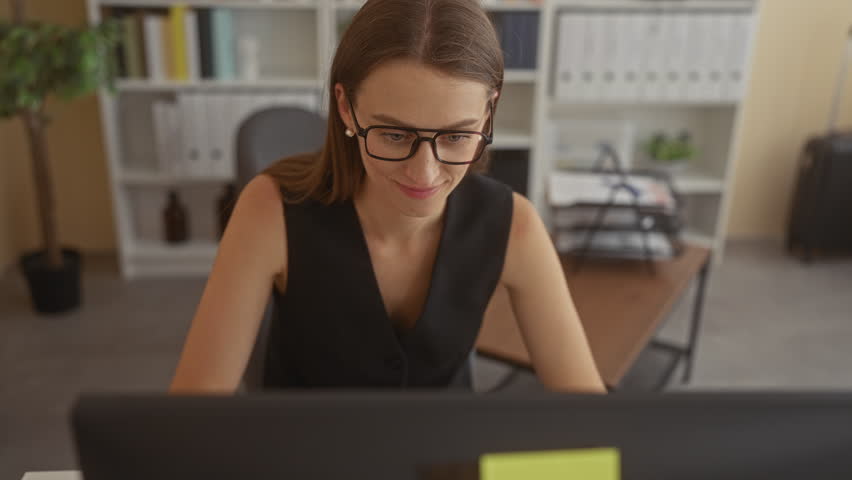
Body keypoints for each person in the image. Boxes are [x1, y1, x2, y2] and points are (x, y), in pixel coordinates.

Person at [170, 0, 605, 394]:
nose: (425, 173)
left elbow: (589, 413)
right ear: (345, 107)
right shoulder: (270, 210)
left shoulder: (515, 226)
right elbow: (194, 413)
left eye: (456, 136)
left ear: (489, 110)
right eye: (394, 134)